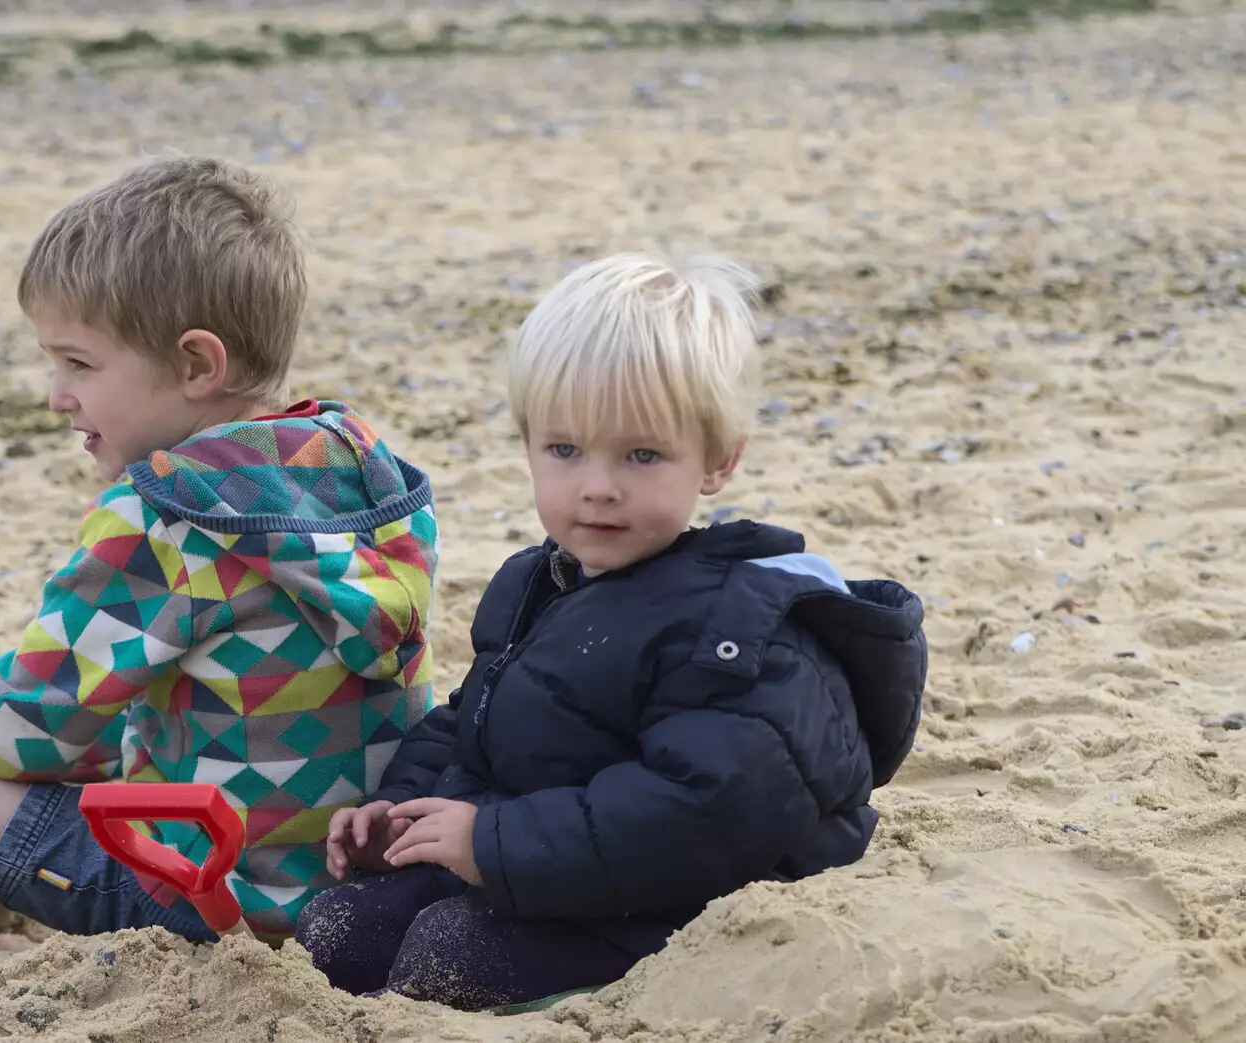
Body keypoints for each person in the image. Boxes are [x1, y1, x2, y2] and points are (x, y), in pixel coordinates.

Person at [0, 155, 439, 957]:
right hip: (352, 896)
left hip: (209, 896)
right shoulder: (362, 469)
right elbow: (235, 687)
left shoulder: (167, 514)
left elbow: (29, 727)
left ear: (196, 365)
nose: (56, 395)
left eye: (79, 363)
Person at [293, 252, 927, 1011]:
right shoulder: (541, 580)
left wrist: (492, 843)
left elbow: (702, 809)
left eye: (641, 454)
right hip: (555, 852)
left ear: (718, 459)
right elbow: (477, 721)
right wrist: (402, 811)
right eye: (564, 449)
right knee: (337, 930)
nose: (597, 484)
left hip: (683, 887)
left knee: (447, 954)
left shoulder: (738, 628)